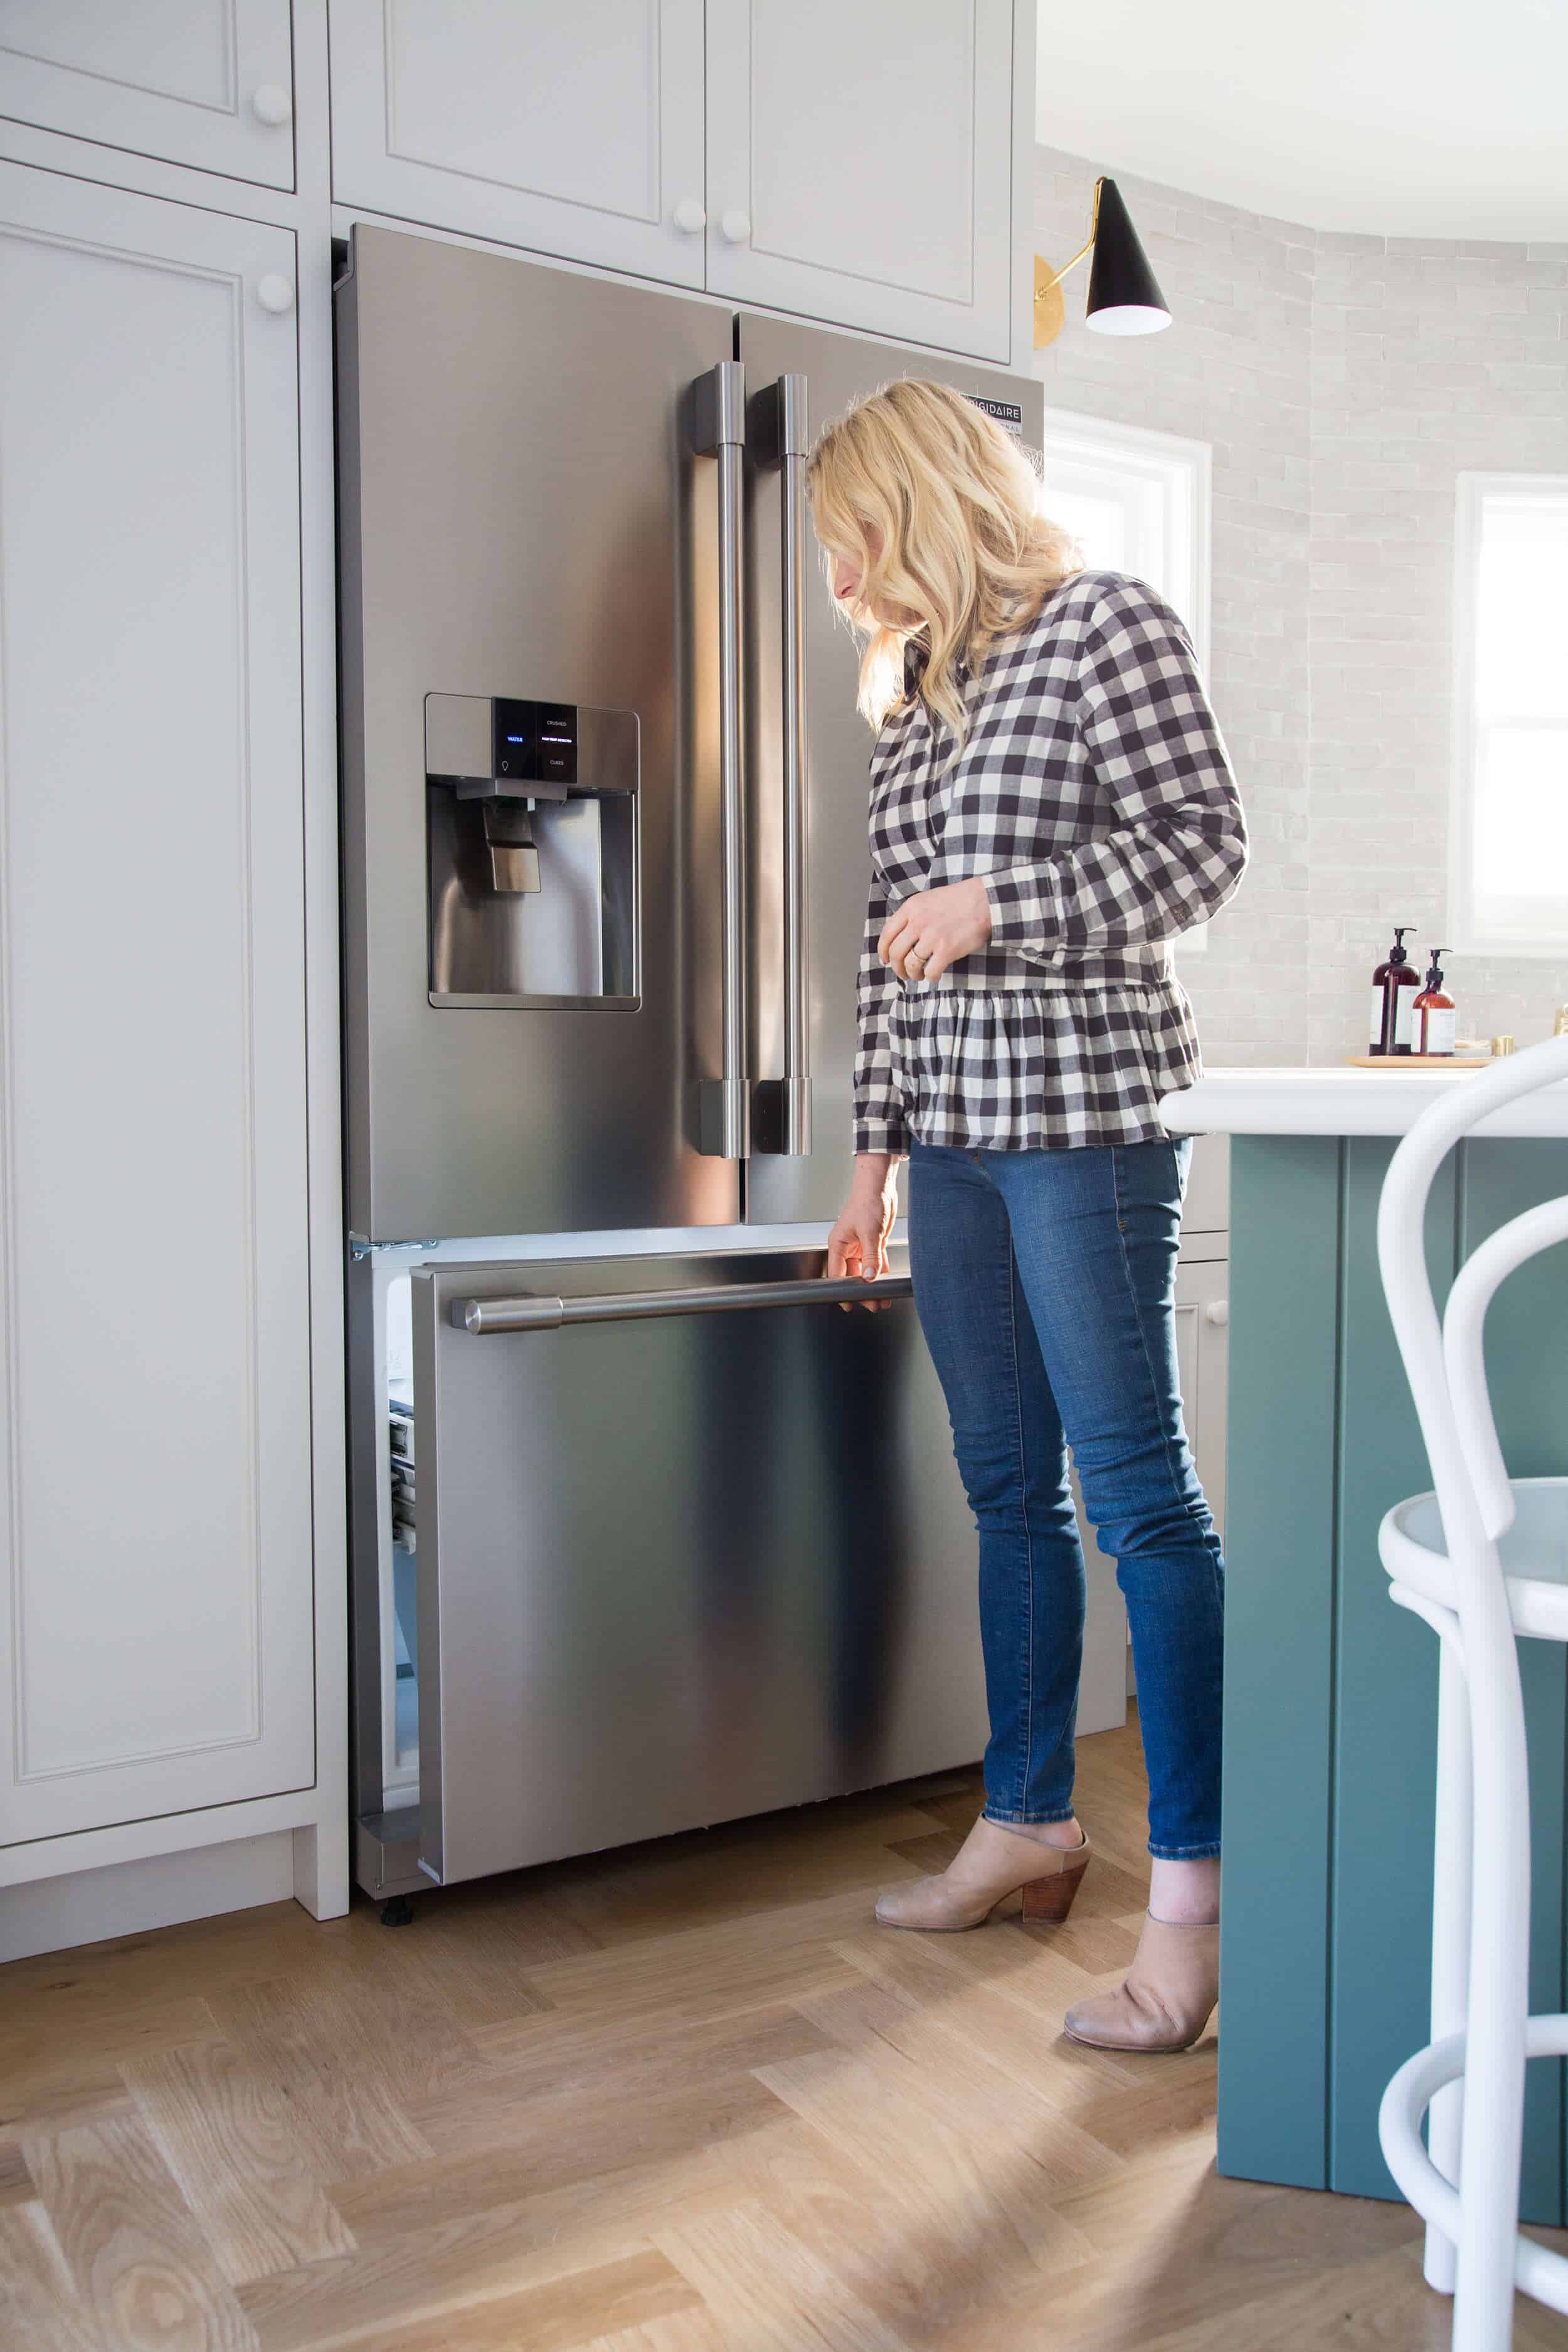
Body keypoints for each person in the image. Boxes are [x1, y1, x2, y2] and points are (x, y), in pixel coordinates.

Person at [807, 381, 1247, 2053]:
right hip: (957, 1153)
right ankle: (1027, 1825)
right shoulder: (915, 700)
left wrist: (1003, 901)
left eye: (851, 544)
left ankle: (1187, 1920)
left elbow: (1202, 848)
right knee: (1003, 1489)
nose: (841, 585)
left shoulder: (1103, 628)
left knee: (1135, 1499)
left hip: (1084, 1131)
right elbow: (882, 949)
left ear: (918, 505)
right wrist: (868, 1163)